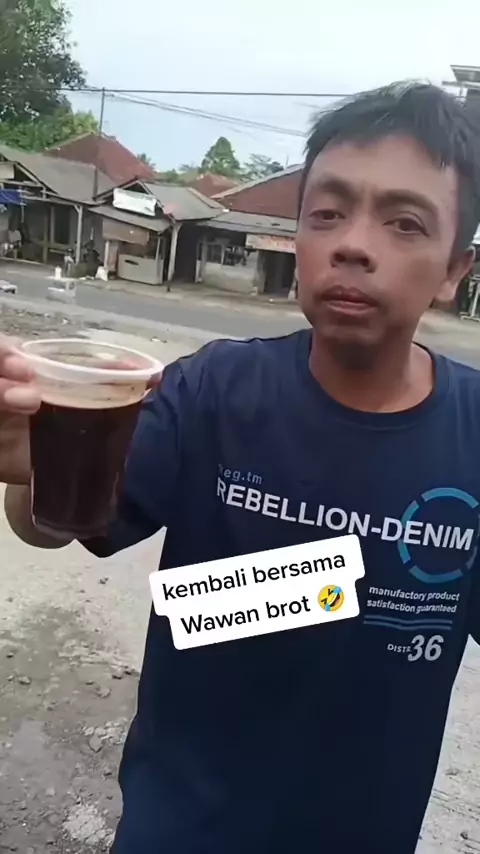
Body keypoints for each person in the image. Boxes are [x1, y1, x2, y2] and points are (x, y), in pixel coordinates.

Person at [1, 81, 480, 854]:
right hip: (177, 832)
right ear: (297, 237)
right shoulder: (212, 390)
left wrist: (319, 591)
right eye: (327, 213)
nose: (354, 244)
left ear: (456, 267)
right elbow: (52, 527)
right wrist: (35, 461)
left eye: (404, 222)